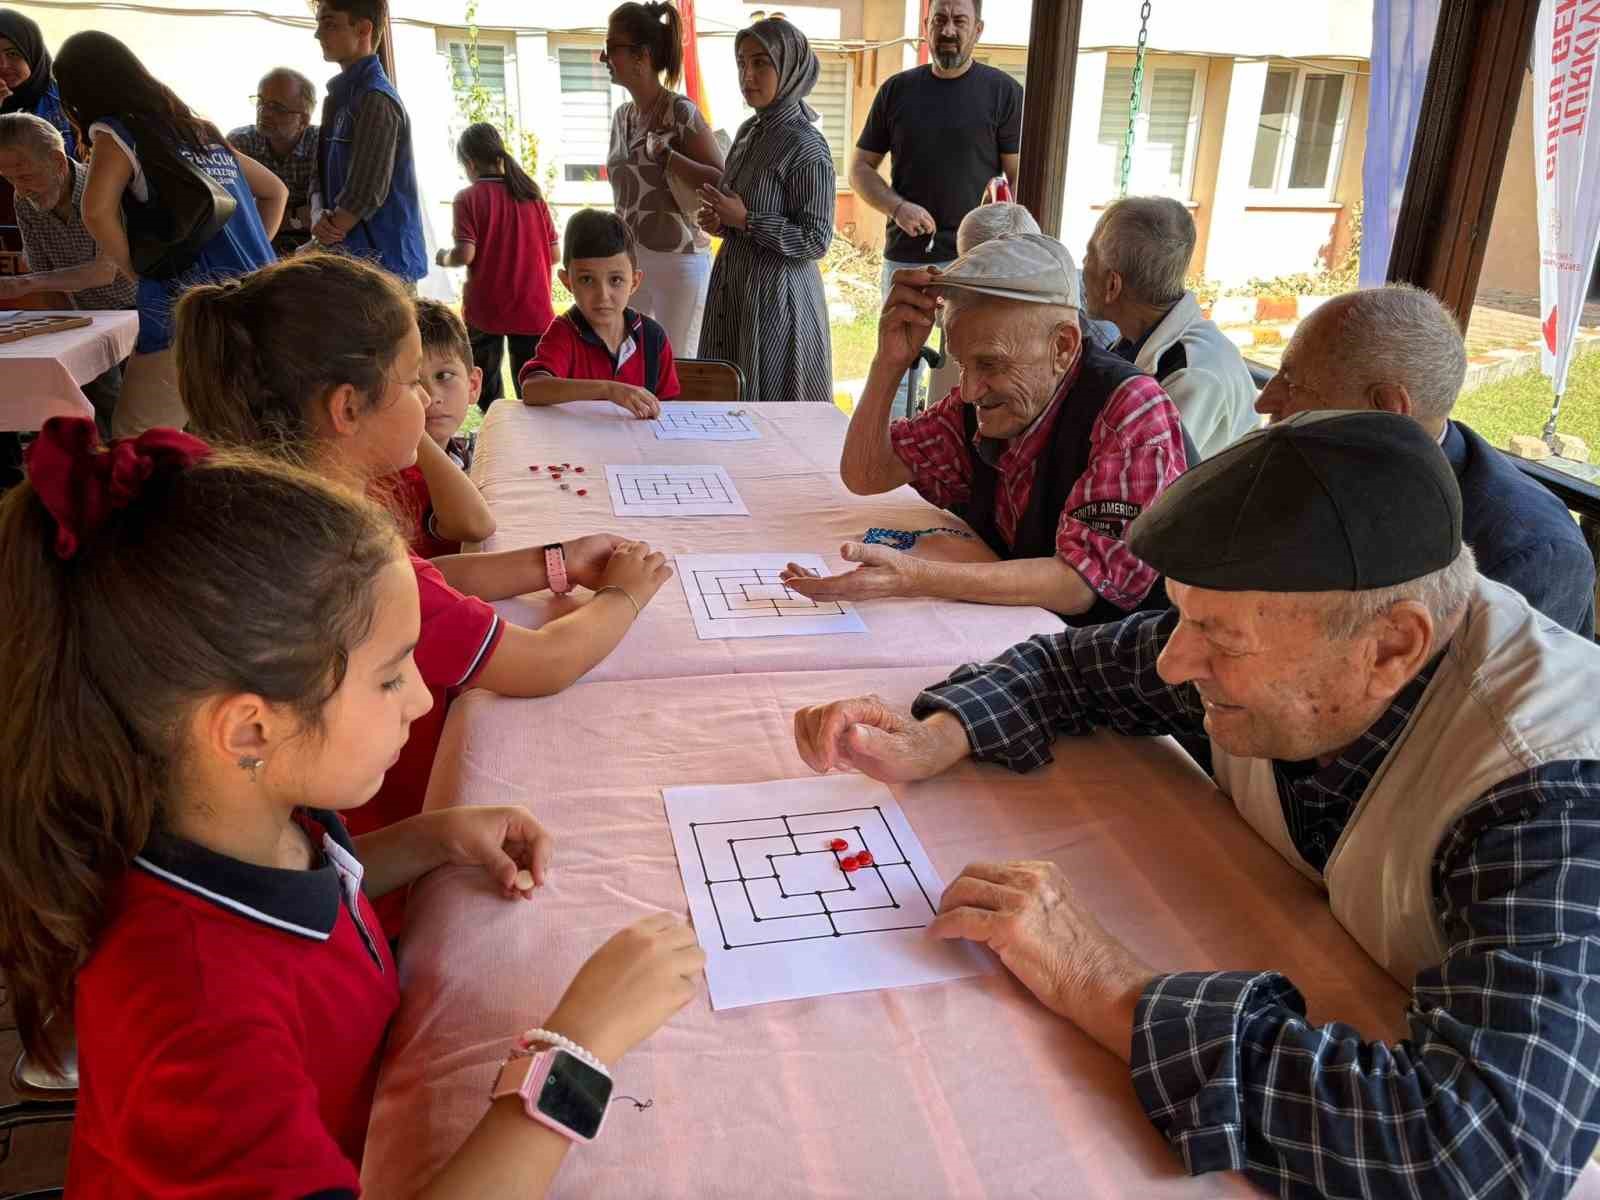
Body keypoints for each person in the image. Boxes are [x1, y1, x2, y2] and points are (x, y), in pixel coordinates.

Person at [793, 410, 1600, 1199]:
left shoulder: (1552, 798)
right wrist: (942, 733)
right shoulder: (1308, 629)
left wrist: (1102, 982)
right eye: (1182, 614)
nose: (1176, 663)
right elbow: (1070, 669)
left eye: (1219, 637)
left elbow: (1477, 1155)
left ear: (1391, 647)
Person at [0, 416, 704, 1196]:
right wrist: (577, 1053)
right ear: (250, 727)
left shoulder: (240, 814)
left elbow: (313, 895)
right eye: (393, 675)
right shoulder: (194, 1019)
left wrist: (429, 838)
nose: (423, 698)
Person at [174, 253, 672, 933]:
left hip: (357, 846)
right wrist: (626, 595)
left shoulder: (296, 513)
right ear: (347, 408)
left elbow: (424, 580)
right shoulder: (340, 559)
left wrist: (554, 564)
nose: (430, 402)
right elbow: (541, 664)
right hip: (374, 860)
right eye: (412, 383)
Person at [782, 233, 1186, 623]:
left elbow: (1079, 584)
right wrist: (889, 362)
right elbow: (866, 474)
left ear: (1062, 347)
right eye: (962, 364)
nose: (971, 389)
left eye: (991, 364)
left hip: (1116, 665)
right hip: (1023, 636)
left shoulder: (1130, 411)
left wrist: (915, 576)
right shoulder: (980, 405)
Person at [1255, 283, 1596, 638]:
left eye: (1292, 384)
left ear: (1388, 410)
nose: (1264, 402)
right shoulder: (1313, 465)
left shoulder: (1530, 552)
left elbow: (1471, 691)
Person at [53, 30, 282, 437]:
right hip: (259, 301)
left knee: (137, 438)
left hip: (187, 311)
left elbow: (96, 210)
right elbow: (274, 191)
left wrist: (136, 271)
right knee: (236, 436)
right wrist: (247, 253)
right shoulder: (200, 131)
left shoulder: (119, 131)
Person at [852, 0, 1022, 417]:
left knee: (962, 376)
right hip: (908, 261)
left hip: (975, 264)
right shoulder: (897, 90)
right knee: (895, 368)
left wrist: (995, 226)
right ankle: (882, 462)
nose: (949, 30)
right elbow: (859, 169)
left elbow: (1017, 180)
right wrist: (896, 207)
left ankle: (945, 464)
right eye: (940, 20)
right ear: (926, 27)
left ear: (977, 29)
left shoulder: (1004, 93)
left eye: (959, 21)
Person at [696, 17, 834, 405]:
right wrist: (721, 221)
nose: (748, 75)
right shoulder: (748, 132)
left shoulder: (806, 145)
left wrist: (746, 219)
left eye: (761, 63)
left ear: (789, 67)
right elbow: (737, 210)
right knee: (727, 402)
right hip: (736, 286)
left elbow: (816, 239)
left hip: (777, 298)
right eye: (741, 63)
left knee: (770, 409)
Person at [1081, 196, 1257, 460]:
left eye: (1088, 256)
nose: (1082, 266)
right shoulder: (1133, 341)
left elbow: (1151, 478)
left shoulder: (1192, 374)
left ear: (1112, 286)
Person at [602, 0, 724, 357]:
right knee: (634, 364)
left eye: (612, 49)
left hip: (679, 263)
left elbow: (721, 180)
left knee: (678, 368)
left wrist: (669, 157)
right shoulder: (622, 116)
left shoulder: (680, 111)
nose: (603, 58)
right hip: (632, 263)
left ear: (642, 55)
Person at [0, 113, 136, 429]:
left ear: (59, 162)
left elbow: (104, 271)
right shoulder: (25, 201)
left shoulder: (103, 188)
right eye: (8, 178)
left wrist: (21, 285)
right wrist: (63, 339)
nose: (20, 188)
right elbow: (45, 280)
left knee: (140, 410)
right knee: (98, 406)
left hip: (138, 311)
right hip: (86, 315)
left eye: (26, 175)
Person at [438, 122, 558, 411]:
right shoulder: (532, 196)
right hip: (532, 305)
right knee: (532, 387)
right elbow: (554, 254)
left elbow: (465, 254)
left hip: (487, 308)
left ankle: (498, 433)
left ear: (469, 163)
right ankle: (533, 444)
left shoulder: (467, 198)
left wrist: (443, 257)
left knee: (489, 391)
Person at [520, 209, 681, 418]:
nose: (602, 295)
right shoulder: (564, 332)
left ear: (634, 281)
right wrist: (608, 389)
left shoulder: (653, 337)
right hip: (575, 448)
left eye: (615, 280)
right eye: (587, 280)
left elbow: (668, 409)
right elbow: (532, 389)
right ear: (567, 281)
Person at [311, 0, 427, 286]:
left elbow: (366, 192)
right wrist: (317, 216)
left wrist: (323, 237)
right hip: (352, 261)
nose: (317, 34)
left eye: (329, 24)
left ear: (363, 28)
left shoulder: (376, 98)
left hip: (383, 268)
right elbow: (319, 174)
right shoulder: (339, 97)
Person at [380, 298, 495, 559]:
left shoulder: (456, 448)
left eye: (444, 376)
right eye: (413, 383)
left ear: (473, 385)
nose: (431, 396)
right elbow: (475, 526)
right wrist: (413, 426)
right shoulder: (395, 474)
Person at [0, 9, 75, 256]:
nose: (3, 65)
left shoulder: (66, 98)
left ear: (31, 52)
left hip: (70, 224)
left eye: (13, 54)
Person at [227, 67, 320, 255]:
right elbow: (234, 213)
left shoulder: (322, 145)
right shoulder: (240, 142)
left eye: (277, 107)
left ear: (303, 120)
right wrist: (296, 216)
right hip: (256, 241)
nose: (264, 112)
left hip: (314, 244)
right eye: (261, 102)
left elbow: (323, 216)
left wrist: (267, 213)